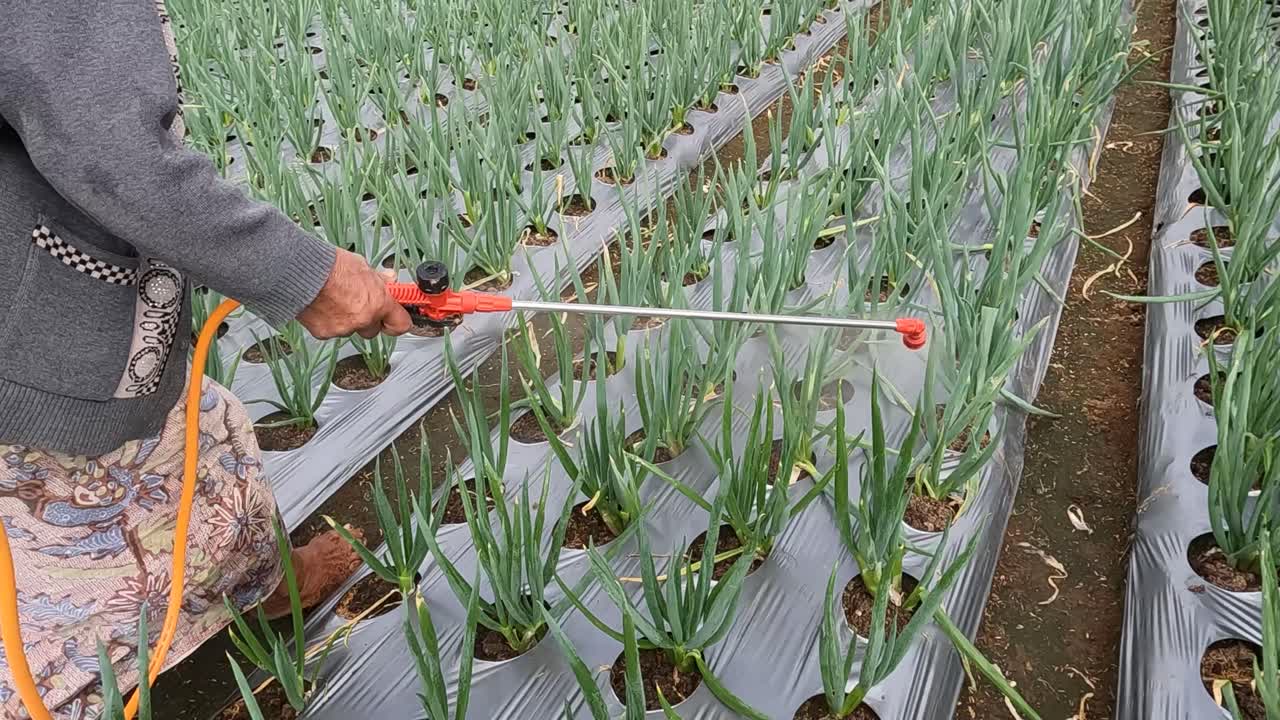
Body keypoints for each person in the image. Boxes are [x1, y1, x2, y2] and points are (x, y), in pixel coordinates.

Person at [0, 1, 414, 716]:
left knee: (204, 426)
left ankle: (261, 587)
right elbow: (108, 147)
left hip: (40, 307)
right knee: (62, 563)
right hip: (35, 349)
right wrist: (306, 275)